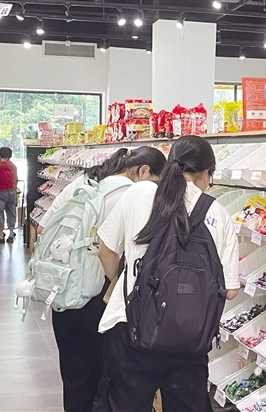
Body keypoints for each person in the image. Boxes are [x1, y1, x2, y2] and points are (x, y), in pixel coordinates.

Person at [94, 136, 240, 412]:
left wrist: (128, 286)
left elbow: (106, 252)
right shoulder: (216, 212)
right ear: (205, 172)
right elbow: (230, 290)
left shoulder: (139, 193)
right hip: (190, 338)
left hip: (132, 328)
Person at [42, 147, 166, 412]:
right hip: (100, 298)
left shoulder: (81, 183)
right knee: (106, 376)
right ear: (143, 171)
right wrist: (118, 285)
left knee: (74, 376)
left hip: (63, 291)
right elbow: (112, 252)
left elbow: (43, 227)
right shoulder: (131, 194)